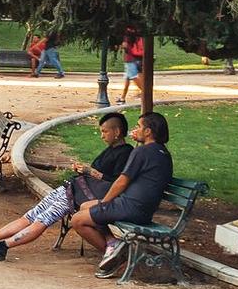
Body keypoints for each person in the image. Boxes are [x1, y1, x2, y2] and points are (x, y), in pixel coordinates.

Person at [0, 112, 131, 261]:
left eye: (105, 131)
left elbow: (117, 182)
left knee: (42, 220)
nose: (102, 135)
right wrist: (85, 170)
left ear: (117, 132)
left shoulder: (126, 153)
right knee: (31, 215)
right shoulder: (111, 149)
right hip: (73, 188)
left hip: (79, 196)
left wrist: (91, 172)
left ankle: (3, 247)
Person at [66, 111, 175, 277]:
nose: (134, 130)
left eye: (138, 127)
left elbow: (122, 181)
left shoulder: (142, 152)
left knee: (77, 220)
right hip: (142, 208)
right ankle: (112, 243)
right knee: (85, 205)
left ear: (148, 132)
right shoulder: (163, 153)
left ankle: (115, 256)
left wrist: (105, 202)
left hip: (130, 207)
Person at [115, 30, 146, 105]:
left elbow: (125, 45)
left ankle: (146, 93)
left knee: (133, 77)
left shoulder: (127, 33)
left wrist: (120, 46)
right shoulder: (134, 32)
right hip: (132, 59)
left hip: (130, 59)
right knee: (127, 79)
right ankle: (122, 98)